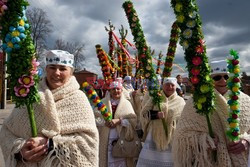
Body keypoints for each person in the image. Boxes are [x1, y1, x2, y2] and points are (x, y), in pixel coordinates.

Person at [0, 50, 99, 166]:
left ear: (71, 73)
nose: (57, 73)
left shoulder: (78, 99)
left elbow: (89, 142)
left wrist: (50, 145)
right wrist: (20, 151)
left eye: (62, 69)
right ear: (46, 69)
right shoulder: (30, 97)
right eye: (52, 67)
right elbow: (7, 130)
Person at [172, 60, 250, 167]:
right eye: (217, 77)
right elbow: (182, 134)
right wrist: (203, 141)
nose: (223, 80)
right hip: (209, 161)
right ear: (209, 80)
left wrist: (246, 141)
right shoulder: (196, 101)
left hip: (242, 159)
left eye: (226, 77)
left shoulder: (246, 100)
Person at [136, 77, 186, 167]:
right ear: (163, 86)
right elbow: (143, 114)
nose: (169, 87)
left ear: (176, 86)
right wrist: (155, 115)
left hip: (172, 137)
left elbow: (184, 120)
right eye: (167, 85)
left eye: (172, 85)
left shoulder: (180, 101)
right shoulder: (155, 98)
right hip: (154, 136)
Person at [96, 79, 137, 167]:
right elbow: (95, 117)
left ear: (122, 90)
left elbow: (133, 120)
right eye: (113, 89)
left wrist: (119, 121)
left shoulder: (127, 104)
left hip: (121, 137)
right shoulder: (102, 102)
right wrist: (104, 122)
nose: (116, 91)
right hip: (105, 136)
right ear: (110, 91)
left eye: (118, 89)